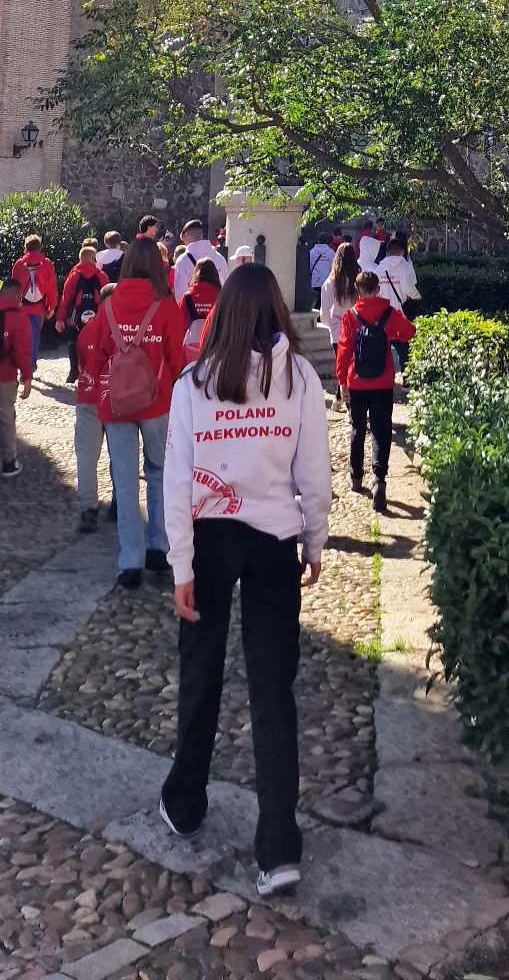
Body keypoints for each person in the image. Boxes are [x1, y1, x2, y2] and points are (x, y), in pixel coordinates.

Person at [161, 263, 331, 897]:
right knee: (273, 688)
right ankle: (279, 846)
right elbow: (314, 471)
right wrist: (314, 539)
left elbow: (177, 483)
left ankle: (186, 801)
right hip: (272, 540)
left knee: (200, 672)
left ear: (223, 314)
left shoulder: (193, 384)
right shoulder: (300, 379)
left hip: (210, 537)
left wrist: (181, 564)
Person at [83, 236, 188, 590]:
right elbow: (176, 357)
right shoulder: (166, 305)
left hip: (117, 405)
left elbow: (96, 354)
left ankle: (129, 560)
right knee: (159, 472)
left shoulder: (109, 306)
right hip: (157, 402)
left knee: (125, 481)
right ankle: (159, 546)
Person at [335, 270, 414, 512]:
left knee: (358, 429)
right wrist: (392, 332)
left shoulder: (350, 316)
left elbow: (344, 352)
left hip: (357, 382)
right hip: (383, 382)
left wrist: (342, 383)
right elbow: (409, 332)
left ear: (357, 290)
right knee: (381, 430)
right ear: (378, 289)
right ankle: (379, 478)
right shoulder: (389, 312)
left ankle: (356, 476)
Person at [73, 284, 110, 531]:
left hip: (88, 396)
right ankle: (119, 504)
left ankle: (88, 509)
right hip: (118, 400)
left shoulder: (87, 330)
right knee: (121, 456)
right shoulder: (126, 329)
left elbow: (80, 365)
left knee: (86, 456)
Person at [57, 244, 108, 383]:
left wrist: (60, 319)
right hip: (97, 317)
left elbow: (66, 298)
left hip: (75, 317)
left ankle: (74, 370)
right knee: (96, 343)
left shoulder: (74, 275)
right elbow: (107, 299)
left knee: (73, 341)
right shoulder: (101, 276)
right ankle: (94, 371)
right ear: (93, 258)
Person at [375, 235, 421, 379]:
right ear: (401, 251)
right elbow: (409, 288)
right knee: (404, 350)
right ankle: (406, 378)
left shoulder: (378, 269)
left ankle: (382, 378)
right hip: (400, 315)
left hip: (382, 316)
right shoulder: (406, 266)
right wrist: (418, 297)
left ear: (387, 251)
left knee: (383, 350)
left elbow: (375, 292)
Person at [12, 235, 58, 373]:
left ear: (26, 248)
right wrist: (52, 306)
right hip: (38, 307)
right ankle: (30, 366)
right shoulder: (47, 263)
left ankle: (21, 365)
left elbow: (14, 287)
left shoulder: (19, 264)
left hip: (22, 307)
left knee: (20, 338)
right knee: (34, 337)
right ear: (40, 247)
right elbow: (52, 287)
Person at [0, 277, 32, 477]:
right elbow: (23, 352)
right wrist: (27, 378)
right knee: (5, 416)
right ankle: (9, 463)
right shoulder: (19, 317)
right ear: (19, 296)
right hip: (5, 375)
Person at [319, 242, 358, 397]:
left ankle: (344, 399)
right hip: (357, 328)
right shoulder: (358, 281)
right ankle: (344, 396)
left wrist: (332, 325)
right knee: (353, 366)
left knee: (341, 365)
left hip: (338, 330)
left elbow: (324, 315)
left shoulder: (329, 283)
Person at [173, 220, 229, 303]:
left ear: (186, 236)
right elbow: (225, 288)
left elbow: (179, 294)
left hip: (193, 308)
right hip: (215, 307)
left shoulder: (182, 261)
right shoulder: (219, 258)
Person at [180, 257, 221, 366]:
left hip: (191, 353)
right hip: (215, 350)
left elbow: (179, 327)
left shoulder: (187, 297)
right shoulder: (222, 296)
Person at [306, 229, 334, 310]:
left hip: (314, 282)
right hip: (327, 281)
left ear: (318, 240)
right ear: (327, 241)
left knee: (315, 305)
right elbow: (334, 268)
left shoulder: (311, 252)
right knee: (325, 305)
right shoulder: (331, 253)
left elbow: (308, 266)